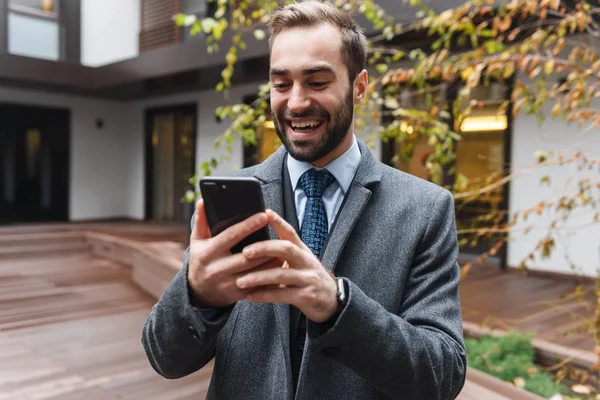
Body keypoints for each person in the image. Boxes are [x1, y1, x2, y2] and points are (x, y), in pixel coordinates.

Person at [141, 1, 467, 399]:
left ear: (359, 86)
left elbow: (443, 374)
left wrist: (338, 306)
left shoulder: (425, 208)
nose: (295, 103)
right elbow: (164, 358)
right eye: (281, 84)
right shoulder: (232, 197)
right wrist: (198, 295)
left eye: (316, 82)